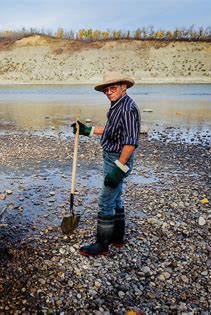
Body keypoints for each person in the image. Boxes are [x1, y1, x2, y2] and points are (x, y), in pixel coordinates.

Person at [72, 71, 141, 257]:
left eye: (113, 88)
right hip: (112, 156)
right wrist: (88, 130)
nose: (109, 92)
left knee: (105, 200)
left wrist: (119, 168)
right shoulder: (117, 105)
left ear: (123, 87)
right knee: (116, 197)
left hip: (119, 158)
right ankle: (117, 237)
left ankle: (102, 245)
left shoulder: (127, 108)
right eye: (106, 90)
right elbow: (111, 130)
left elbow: (131, 142)